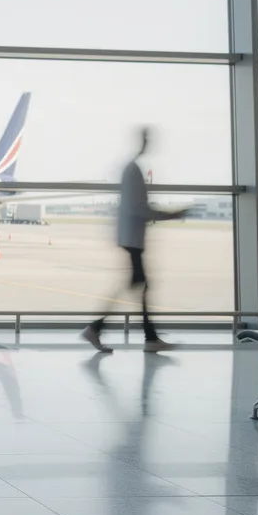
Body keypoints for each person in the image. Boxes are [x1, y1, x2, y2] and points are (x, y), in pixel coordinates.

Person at [83, 128, 187, 354]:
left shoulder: (132, 169)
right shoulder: (133, 170)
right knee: (140, 285)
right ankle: (145, 338)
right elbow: (137, 207)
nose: (150, 142)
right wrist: (170, 215)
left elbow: (136, 206)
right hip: (132, 238)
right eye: (148, 139)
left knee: (137, 284)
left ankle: (99, 328)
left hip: (131, 237)